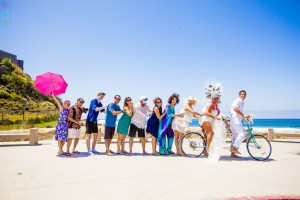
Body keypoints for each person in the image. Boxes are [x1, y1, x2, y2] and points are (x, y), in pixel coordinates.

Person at [199, 82, 227, 161]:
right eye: (215, 98)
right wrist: (215, 117)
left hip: (210, 121)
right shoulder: (210, 104)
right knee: (211, 133)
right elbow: (207, 113)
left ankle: (205, 150)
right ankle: (208, 149)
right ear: (212, 98)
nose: (217, 99)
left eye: (218, 98)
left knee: (210, 135)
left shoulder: (216, 106)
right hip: (205, 120)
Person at [229, 90, 249, 158]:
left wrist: (241, 119)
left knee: (235, 136)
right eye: (242, 94)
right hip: (235, 121)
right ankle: (233, 148)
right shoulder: (238, 100)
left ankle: (232, 154)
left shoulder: (242, 102)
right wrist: (243, 115)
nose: (243, 96)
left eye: (244, 95)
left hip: (235, 120)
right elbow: (235, 108)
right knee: (242, 134)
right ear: (239, 95)